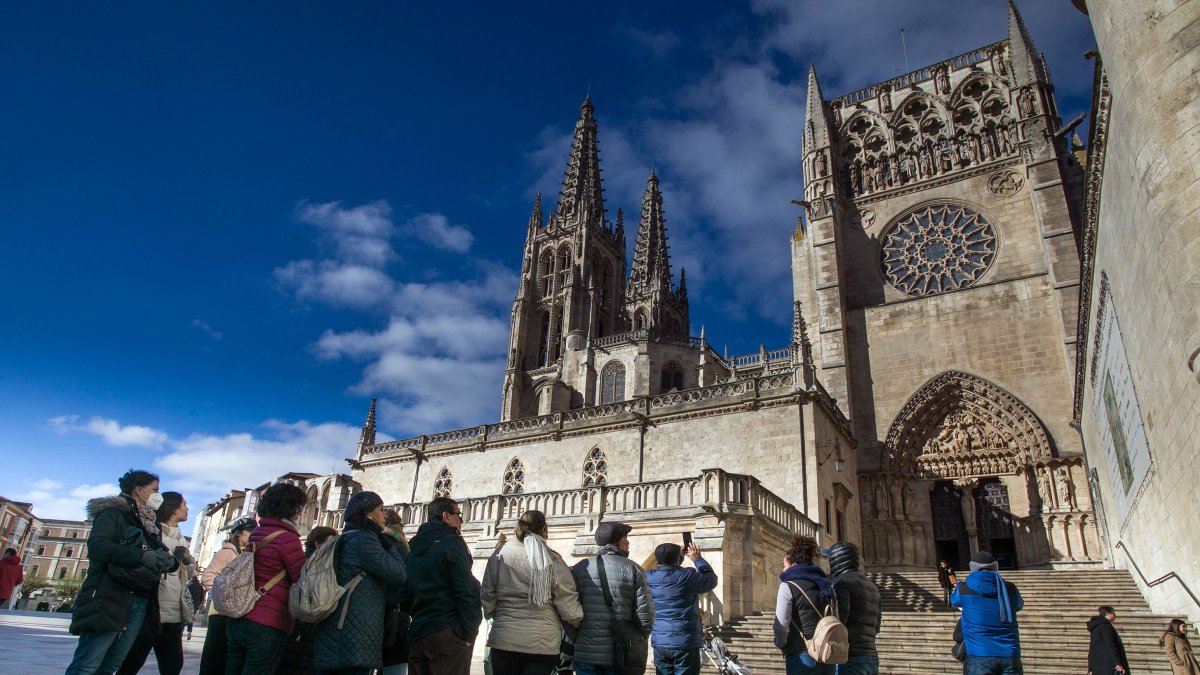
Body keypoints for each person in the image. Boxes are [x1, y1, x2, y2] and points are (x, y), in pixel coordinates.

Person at [65, 469, 178, 675]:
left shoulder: (147, 522)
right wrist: (141, 557)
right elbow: (98, 547)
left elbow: (153, 552)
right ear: (138, 490)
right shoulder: (113, 513)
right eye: (155, 489)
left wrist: (168, 561)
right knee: (87, 664)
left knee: (112, 665)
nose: (158, 496)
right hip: (109, 595)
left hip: (139, 597)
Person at [315, 491, 409, 675]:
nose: (384, 515)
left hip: (341, 629)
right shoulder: (364, 540)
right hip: (352, 632)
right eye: (381, 510)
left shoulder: (347, 537)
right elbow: (398, 573)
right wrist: (389, 540)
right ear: (368, 514)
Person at [482, 510, 584, 675]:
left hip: (504, 638)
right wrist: (579, 622)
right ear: (544, 529)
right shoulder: (553, 559)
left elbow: (487, 594)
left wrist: (498, 616)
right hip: (541, 644)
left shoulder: (499, 554)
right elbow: (567, 604)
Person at [226, 482, 308, 674]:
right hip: (267, 621)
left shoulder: (257, 534)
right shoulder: (287, 538)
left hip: (240, 616)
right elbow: (300, 577)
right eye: (297, 508)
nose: (298, 513)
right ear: (289, 508)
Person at [118, 491, 197, 675]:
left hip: (175, 612)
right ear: (173, 509)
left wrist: (187, 562)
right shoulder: (154, 532)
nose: (187, 508)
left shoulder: (180, 538)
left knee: (173, 665)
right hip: (153, 609)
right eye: (184, 504)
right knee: (132, 661)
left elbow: (185, 574)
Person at [402, 496, 482, 675]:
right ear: (445, 516)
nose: (461, 520)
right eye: (458, 515)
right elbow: (465, 589)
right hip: (448, 633)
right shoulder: (452, 543)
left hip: (418, 632)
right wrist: (469, 633)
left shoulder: (413, 547)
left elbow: (404, 594)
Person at [571, 520, 655, 675]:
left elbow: (569, 609)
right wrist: (638, 638)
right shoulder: (633, 568)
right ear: (620, 543)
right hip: (620, 653)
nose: (628, 544)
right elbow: (645, 613)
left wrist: (577, 637)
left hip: (586, 652)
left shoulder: (580, 568)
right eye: (626, 540)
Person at [645, 541, 718, 675]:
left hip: (660, 642)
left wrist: (678, 557)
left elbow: (669, 570)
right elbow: (711, 580)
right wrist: (697, 559)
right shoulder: (687, 576)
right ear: (677, 559)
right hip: (685, 642)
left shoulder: (649, 577)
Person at [197, 515, 256, 675]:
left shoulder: (246, 552)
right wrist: (226, 594)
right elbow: (208, 577)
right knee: (214, 656)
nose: (254, 535)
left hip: (235, 613)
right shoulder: (227, 553)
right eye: (250, 531)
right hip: (220, 612)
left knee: (226, 658)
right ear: (239, 533)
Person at [275, 525, 338, 675]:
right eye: (331, 543)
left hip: (306, 630)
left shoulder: (322, 565)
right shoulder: (308, 564)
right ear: (317, 544)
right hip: (301, 626)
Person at [951, 550, 1023, 675]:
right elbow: (1019, 605)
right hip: (1009, 653)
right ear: (995, 566)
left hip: (979, 653)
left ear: (973, 567)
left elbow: (955, 601)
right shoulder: (1010, 588)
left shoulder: (963, 588)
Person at [772, 534, 835, 675]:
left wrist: (781, 644)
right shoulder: (826, 585)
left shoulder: (788, 586)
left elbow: (781, 624)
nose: (783, 570)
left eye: (784, 565)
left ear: (793, 565)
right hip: (827, 653)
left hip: (801, 652)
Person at [828, 541, 881, 675]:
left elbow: (839, 622)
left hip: (849, 657)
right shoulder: (873, 586)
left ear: (835, 560)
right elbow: (877, 625)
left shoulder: (841, 583)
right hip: (871, 655)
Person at [380, 510, 411, 675]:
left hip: (384, 611)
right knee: (395, 662)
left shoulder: (383, 542)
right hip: (399, 613)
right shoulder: (403, 544)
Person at [1088, 605, 1131, 675]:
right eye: (1114, 613)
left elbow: (1092, 647)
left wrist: (1091, 667)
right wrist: (1118, 663)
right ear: (1108, 614)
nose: (1115, 615)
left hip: (1098, 665)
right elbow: (1110, 645)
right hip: (1108, 664)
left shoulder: (1096, 627)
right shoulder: (1105, 626)